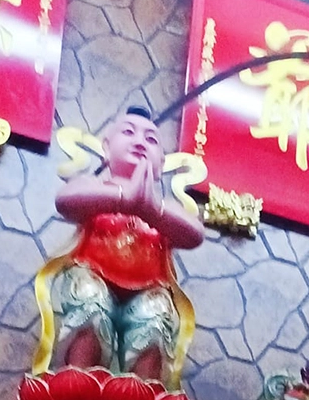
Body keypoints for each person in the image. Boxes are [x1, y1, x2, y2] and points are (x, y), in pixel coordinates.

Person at [52, 107, 204, 382]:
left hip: (147, 291)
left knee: (156, 320)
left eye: (151, 139)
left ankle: (141, 392)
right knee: (91, 304)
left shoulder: (164, 208)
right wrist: (123, 198)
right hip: (93, 276)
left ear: (161, 164)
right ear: (106, 148)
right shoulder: (95, 188)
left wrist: (151, 210)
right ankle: (78, 380)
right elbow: (66, 200)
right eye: (128, 132)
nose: (140, 142)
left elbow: (194, 234)